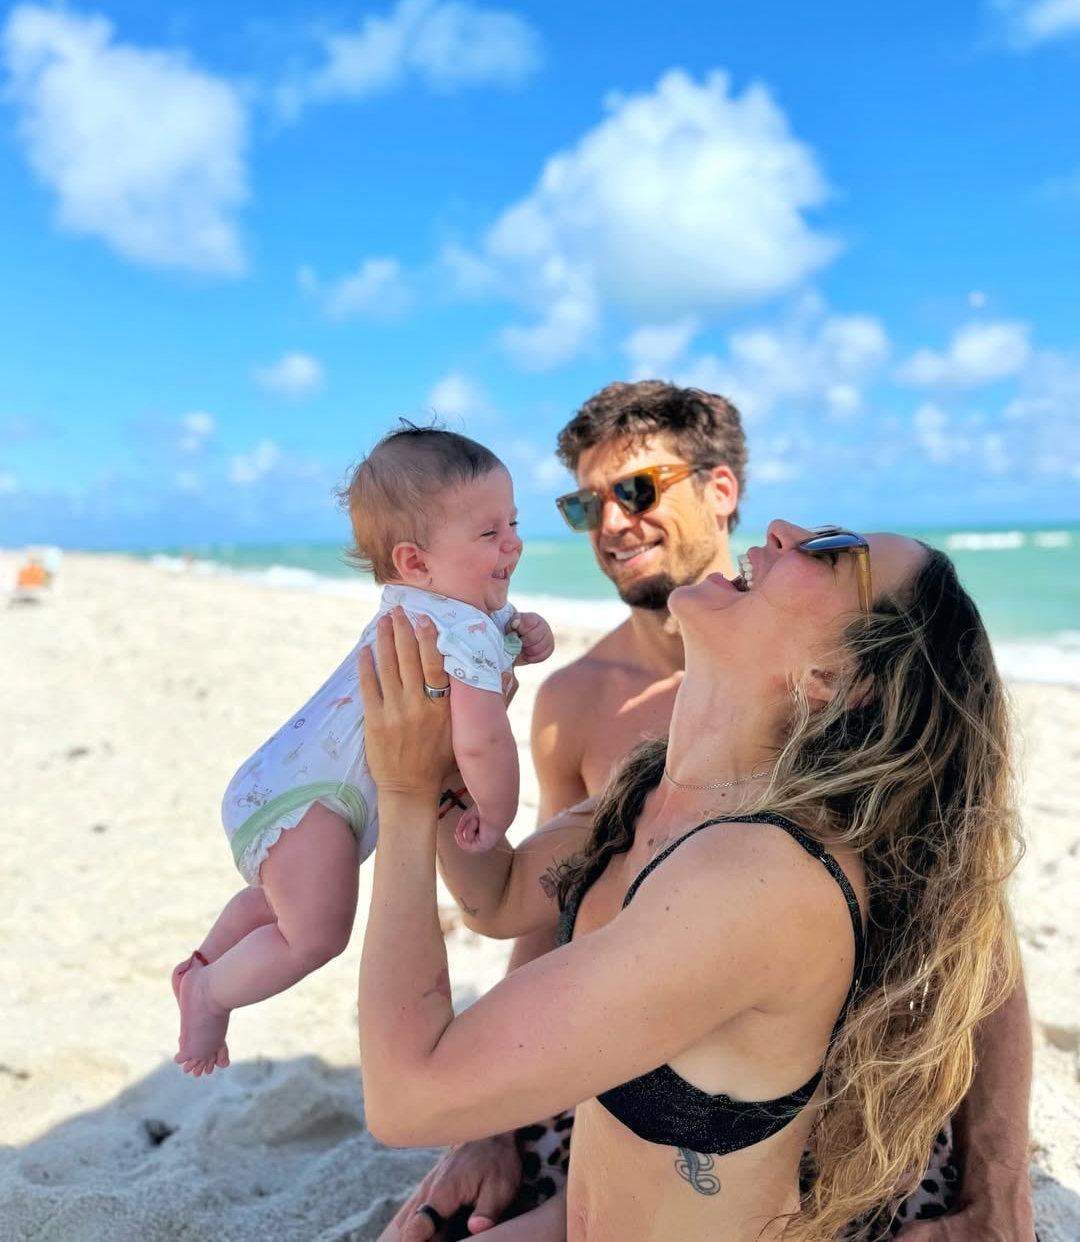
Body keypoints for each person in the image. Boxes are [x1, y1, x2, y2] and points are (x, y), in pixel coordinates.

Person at [380, 382, 1036, 1240]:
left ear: (834, 680)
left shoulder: (767, 870)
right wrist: (440, 753)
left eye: (637, 489)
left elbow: (972, 934)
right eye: (586, 504)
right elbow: (508, 902)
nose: (612, 522)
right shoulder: (646, 770)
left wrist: (1000, 1187)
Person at [171, 424, 554, 1077]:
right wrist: (496, 812)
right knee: (317, 935)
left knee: (284, 904)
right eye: (489, 533)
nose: (513, 542)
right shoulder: (457, 626)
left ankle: (202, 965)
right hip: (314, 803)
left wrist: (523, 632)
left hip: (284, 785)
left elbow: (493, 641)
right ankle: (209, 993)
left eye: (513, 523)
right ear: (415, 562)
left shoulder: (428, 607)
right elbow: (481, 738)